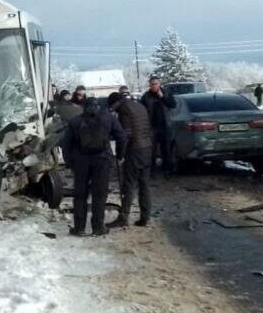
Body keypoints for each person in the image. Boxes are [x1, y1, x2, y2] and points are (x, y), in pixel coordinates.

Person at [61, 97, 127, 236]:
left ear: (84, 107)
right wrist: (120, 155)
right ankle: (98, 227)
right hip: (102, 161)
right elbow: (121, 137)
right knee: (100, 195)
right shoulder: (108, 118)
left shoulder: (75, 121)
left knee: (80, 195)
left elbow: (66, 144)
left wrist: (69, 163)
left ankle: (79, 228)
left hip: (81, 162)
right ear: (98, 106)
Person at [107, 92, 153, 228]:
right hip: (147, 148)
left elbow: (125, 135)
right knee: (144, 184)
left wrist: (120, 155)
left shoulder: (124, 110)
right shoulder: (139, 106)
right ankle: (145, 217)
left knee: (129, 184)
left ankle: (124, 216)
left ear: (115, 103)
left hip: (135, 150)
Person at [140, 76, 178, 173]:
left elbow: (173, 105)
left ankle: (167, 170)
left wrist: (163, 96)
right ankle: (152, 170)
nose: (154, 86)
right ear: (149, 85)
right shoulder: (146, 96)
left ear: (159, 84)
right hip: (151, 127)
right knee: (151, 150)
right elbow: (141, 110)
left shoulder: (166, 93)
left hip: (165, 126)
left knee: (166, 149)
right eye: (152, 84)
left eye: (156, 84)